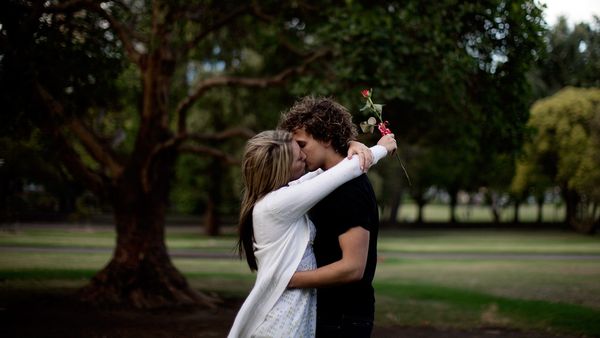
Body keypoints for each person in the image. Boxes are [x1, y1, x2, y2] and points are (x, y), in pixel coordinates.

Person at [228, 129, 396, 337]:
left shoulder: (278, 197)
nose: (304, 156)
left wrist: (350, 146)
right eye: (298, 156)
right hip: (282, 324)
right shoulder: (278, 204)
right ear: (282, 167)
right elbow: (341, 173)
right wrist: (382, 148)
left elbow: (329, 171)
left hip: (294, 318)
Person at [280, 96, 388, 337]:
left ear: (327, 138)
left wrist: (289, 280)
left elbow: (353, 267)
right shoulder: (327, 180)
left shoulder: (349, 189)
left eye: (302, 144)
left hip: (343, 317)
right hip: (328, 312)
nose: (298, 153)